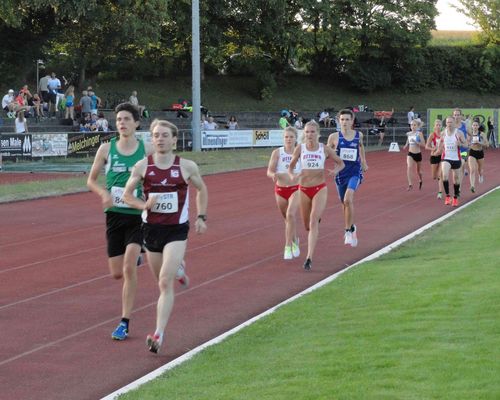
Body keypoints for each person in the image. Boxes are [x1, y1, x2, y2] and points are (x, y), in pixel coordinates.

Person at [123, 119, 208, 354]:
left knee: (164, 282)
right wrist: (144, 204)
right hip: (151, 230)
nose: (159, 138)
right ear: (151, 139)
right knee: (162, 279)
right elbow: (127, 195)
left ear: (174, 140)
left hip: (176, 231)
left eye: (164, 135)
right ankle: (179, 270)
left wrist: (201, 217)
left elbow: (202, 189)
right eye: (155, 135)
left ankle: (158, 334)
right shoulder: (142, 166)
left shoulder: (187, 166)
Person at [87, 102, 152, 341]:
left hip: (138, 216)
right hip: (114, 216)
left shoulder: (146, 149)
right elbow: (91, 181)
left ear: (136, 123)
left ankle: (124, 322)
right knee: (116, 273)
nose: (122, 123)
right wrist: (103, 194)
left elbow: (158, 174)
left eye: (126, 119)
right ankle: (134, 257)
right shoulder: (106, 149)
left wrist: (150, 197)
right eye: (119, 120)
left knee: (127, 268)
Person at [288, 120, 344, 271]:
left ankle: (309, 258)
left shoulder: (324, 149)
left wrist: (335, 171)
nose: (309, 134)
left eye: (312, 132)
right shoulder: (300, 149)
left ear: (318, 134)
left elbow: (341, 163)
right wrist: (293, 175)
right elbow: (291, 166)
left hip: (320, 188)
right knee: (307, 225)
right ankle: (314, 221)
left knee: (313, 222)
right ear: (304, 134)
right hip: (304, 189)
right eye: (307, 132)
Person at [327, 109, 368, 248]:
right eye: (342, 119)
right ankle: (352, 227)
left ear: (352, 120)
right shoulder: (333, 137)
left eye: (347, 119)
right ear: (339, 120)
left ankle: (348, 231)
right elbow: (327, 152)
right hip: (340, 174)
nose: (344, 122)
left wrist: (363, 161)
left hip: (355, 172)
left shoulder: (358, 135)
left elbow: (361, 147)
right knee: (344, 204)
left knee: (348, 199)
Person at [267, 126, 301, 260]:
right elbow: (269, 170)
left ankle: (287, 246)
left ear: (295, 138)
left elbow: (305, 170)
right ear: (283, 138)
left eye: (291, 137)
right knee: (288, 219)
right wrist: (273, 175)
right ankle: (294, 240)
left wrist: (299, 176)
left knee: (291, 214)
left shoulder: (300, 152)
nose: (289, 139)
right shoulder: (277, 152)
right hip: (280, 189)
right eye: (286, 137)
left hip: (296, 188)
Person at [438, 116, 468, 206]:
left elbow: (466, 144)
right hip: (446, 158)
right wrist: (439, 146)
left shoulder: (459, 133)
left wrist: (460, 144)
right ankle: (447, 196)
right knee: (445, 175)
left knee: (456, 179)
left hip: (456, 158)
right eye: (447, 122)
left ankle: (455, 197)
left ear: (454, 123)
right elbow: (440, 144)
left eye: (451, 122)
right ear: (446, 124)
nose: (449, 124)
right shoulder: (443, 133)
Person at [403, 119, 425, 190]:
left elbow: (423, 144)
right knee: (409, 167)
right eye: (411, 125)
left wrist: (416, 142)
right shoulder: (408, 133)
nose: (412, 126)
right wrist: (406, 145)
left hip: (418, 154)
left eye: (414, 125)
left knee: (418, 171)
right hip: (410, 153)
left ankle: (420, 179)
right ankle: (410, 184)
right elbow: (408, 140)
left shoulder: (419, 134)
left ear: (417, 126)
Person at [467, 119, 489, 193]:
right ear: (472, 126)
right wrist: (470, 144)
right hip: (472, 152)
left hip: (480, 153)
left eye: (476, 125)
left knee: (480, 169)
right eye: (474, 125)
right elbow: (466, 144)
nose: (475, 126)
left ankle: (480, 175)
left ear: (478, 126)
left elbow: (487, 145)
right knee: (472, 170)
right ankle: (472, 186)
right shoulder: (470, 134)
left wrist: (480, 143)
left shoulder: (482, 134)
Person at [425, 119, 444, 198]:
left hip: (442, 156)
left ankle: (440, 192)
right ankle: (437, 178)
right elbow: (426, 146)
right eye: (437, 125)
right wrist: (432, 149)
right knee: (434, 176)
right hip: (434, 156)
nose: (438, 126)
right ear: (434, 126)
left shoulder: (444, 134)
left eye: (439, 125)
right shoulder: (432, 135)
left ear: (442, 126)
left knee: (441, 175)